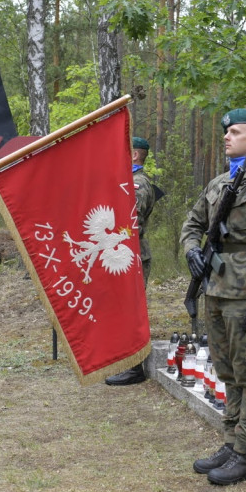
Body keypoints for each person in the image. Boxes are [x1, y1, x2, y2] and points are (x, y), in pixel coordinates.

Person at [180, 109, 246, 485]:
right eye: (226, 131)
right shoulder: (218, 183)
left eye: (236, 132)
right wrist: (192, 249)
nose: (227, 136)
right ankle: (231, 440)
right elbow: (192, 223)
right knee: (226, 369)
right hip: (216, 288)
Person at [105, 136, 157, 386]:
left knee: (131, 310)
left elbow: (130, 222)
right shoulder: (126, 181)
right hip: (119, 254)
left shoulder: (138, 184)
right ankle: (121, 359)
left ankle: (134, 367)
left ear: (135, 155)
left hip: (132, 254)